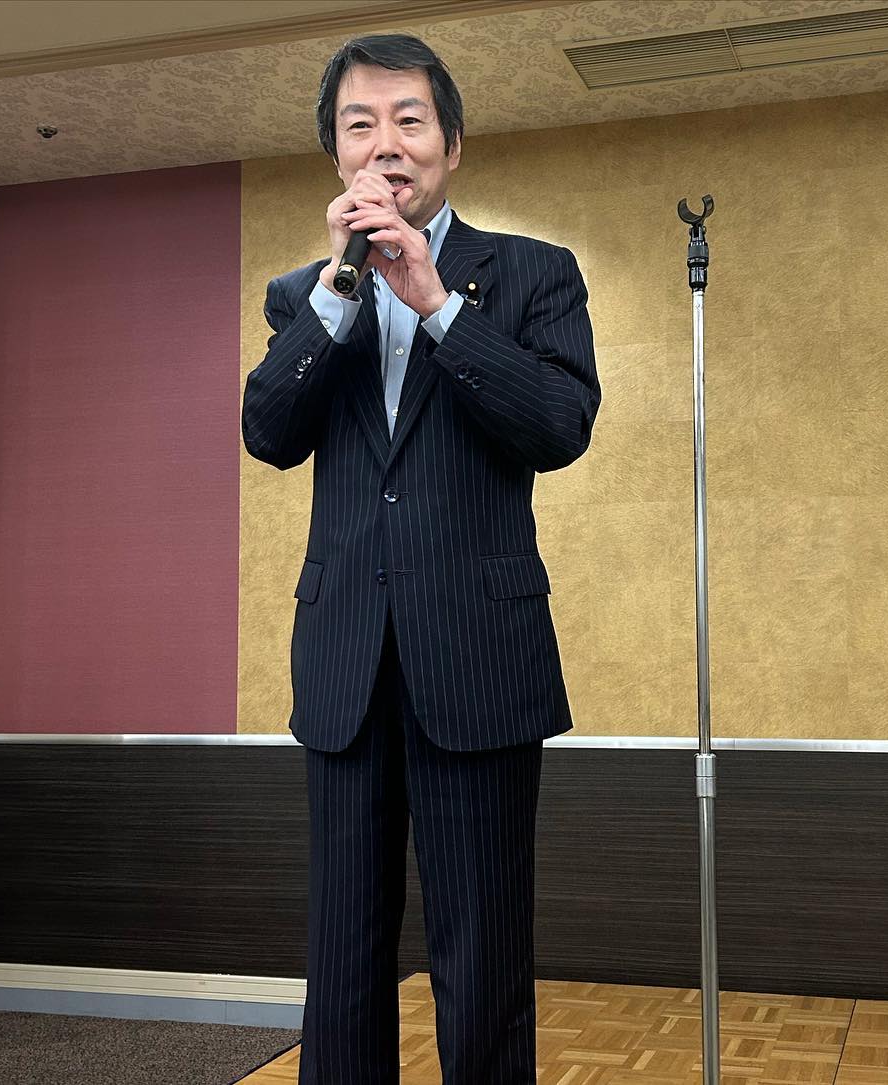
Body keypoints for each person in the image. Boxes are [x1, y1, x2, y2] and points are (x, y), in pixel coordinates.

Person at [240, 32, 601, 1085]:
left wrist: (437, 303)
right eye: (360, 124)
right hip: (345, 660)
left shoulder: (532, 274)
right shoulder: (303, 292)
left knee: (482, 952)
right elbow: (268, 431)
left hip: (480, 657)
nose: (386, 143)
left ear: (452, 142)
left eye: (409, 119)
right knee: (343, 957)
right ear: (337, 154)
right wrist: (341, 294)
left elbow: (559, 426)